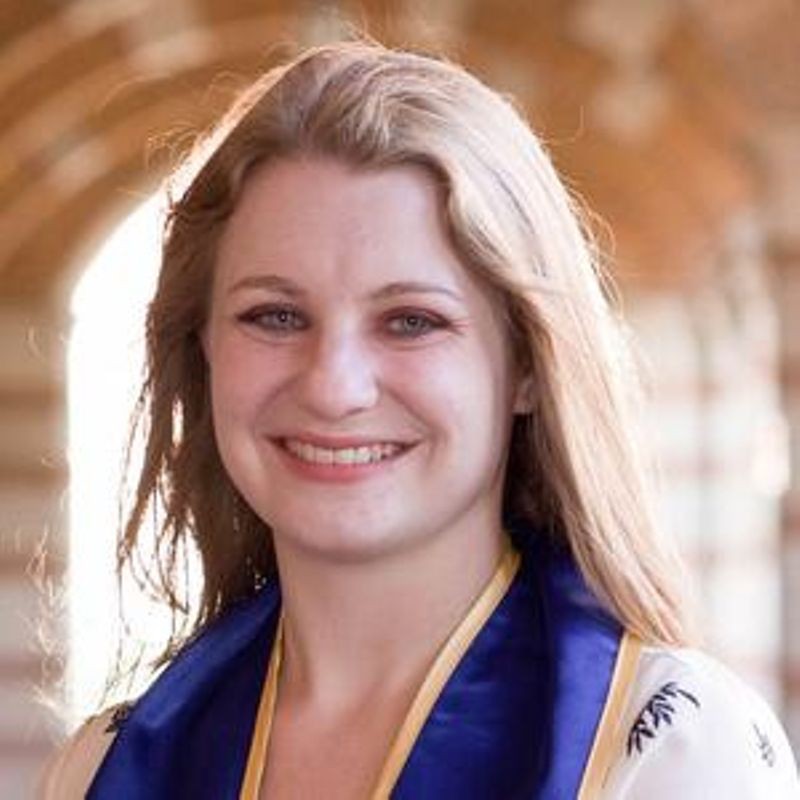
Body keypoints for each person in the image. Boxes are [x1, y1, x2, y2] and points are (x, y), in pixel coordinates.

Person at [40, 40, 799, 798]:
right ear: (201, 347)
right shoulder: (101, 769)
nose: (334, 387)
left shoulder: (671, 754)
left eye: (411, 321)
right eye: (275, 315)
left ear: (528, 365)